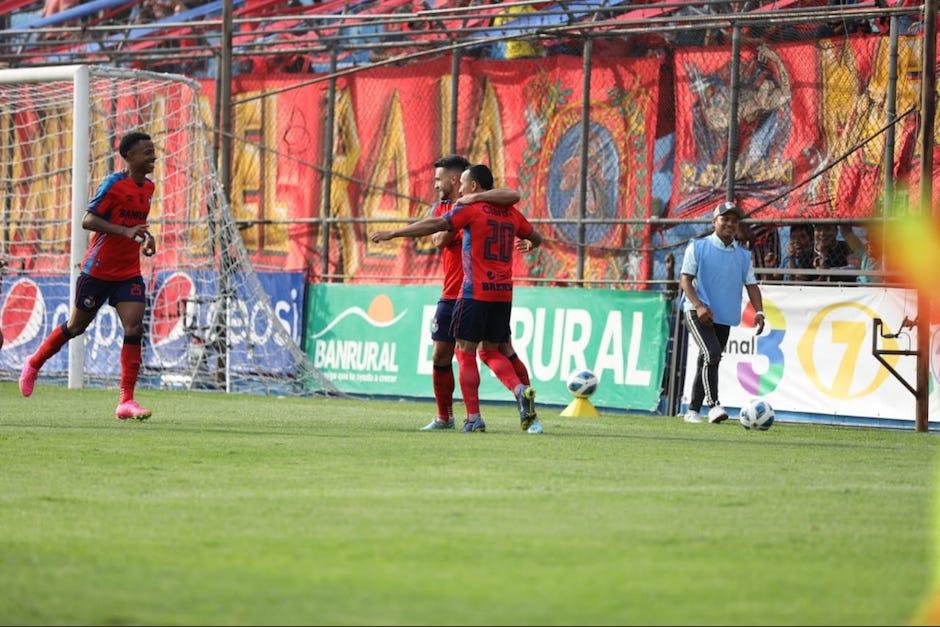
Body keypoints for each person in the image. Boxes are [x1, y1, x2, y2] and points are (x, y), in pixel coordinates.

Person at [371, 164, 544, 434]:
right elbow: (535, 236)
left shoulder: (470, 208)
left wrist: (394, 233)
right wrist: (531, 243)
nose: (460, 189)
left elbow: (437, 226)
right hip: (503, 293)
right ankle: (521, 392)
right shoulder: (511, 213)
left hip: (473, 292)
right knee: (492, 351)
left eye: (463, 184)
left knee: (464, 353)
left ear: (473, 186)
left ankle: (473, 417)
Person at [19, 132, 157, 421]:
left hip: (128, 271)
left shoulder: (148, 188)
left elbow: (134, 224)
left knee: (134, 328)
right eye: (147, 152)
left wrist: (145, 238)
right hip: (97, 270)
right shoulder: (113, 185)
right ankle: (34, 363)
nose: (153, 156)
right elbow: (87, 220)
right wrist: (124, 232)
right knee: (76, 326)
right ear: (130, 156)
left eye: (153, 151)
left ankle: (126, 401)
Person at [421, 155, 530, 431]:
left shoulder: (483, 206)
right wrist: (453, 221)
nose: (436, 185)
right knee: (442, 356)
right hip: (452, 294)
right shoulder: (443, 209)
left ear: (457, 181)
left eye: (439, 179)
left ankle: (524, 412)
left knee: (498, 350)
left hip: (475, 293)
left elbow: (512, 195)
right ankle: (444, 417)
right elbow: (436, 239)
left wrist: (468, 207)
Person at [680, 201, 765, 424]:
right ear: (714, 221)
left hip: (723, 315)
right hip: (697, 311)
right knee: (712, 354)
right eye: (724, 219)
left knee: (708, 360)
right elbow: (685, 280)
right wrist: (698, 305)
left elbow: (752, 285)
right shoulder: (698, 247)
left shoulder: (743, 256)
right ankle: (714, 406)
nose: (729, 223)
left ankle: (692, 411)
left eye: (734, 220)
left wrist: (759, 312)